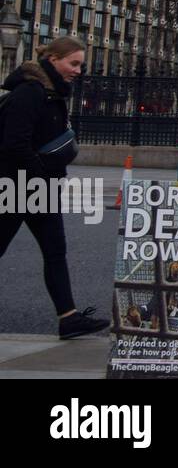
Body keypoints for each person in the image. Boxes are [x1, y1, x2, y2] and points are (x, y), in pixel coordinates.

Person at [0, 37, 110, 340]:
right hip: (17, 186)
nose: (77, 70)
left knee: (55, 251)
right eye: (73, 63)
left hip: (37, 187)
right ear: (52, 60)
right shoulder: (29, 93)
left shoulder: (51, 94)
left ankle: (69, 318)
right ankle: (69, 318)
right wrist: (40, 176)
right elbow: (14, 145)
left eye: (80, 64)